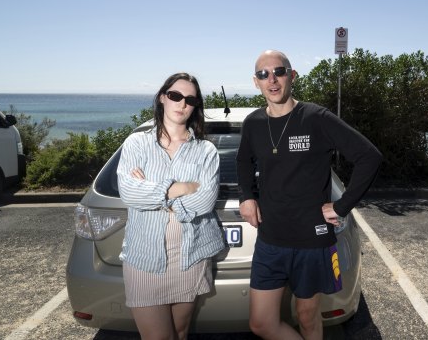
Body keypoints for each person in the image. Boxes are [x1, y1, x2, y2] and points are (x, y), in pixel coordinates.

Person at [237, 50, 382, 339]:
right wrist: (246, 196)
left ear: (292, 76)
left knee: (307, 316)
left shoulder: (316, 118)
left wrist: (342, 206)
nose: (272, 79)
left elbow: (369, 156)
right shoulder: (253, 123)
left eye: (279, 71)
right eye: (264, 74)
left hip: (311, 241)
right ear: (256, 82)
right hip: (270, 239)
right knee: (261, 323)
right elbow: (242, 161)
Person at [117, 72, 225, 340]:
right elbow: (129, 192)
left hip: (190, 258)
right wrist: (181, 188)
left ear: (195, 106)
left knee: (180, 332)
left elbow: (205, 199)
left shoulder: (205, 151)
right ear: (163, 98)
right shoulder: (137, 143)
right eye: (176, 96)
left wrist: (153, 191)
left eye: (190, 99)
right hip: (144, 260)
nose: (182, 103)